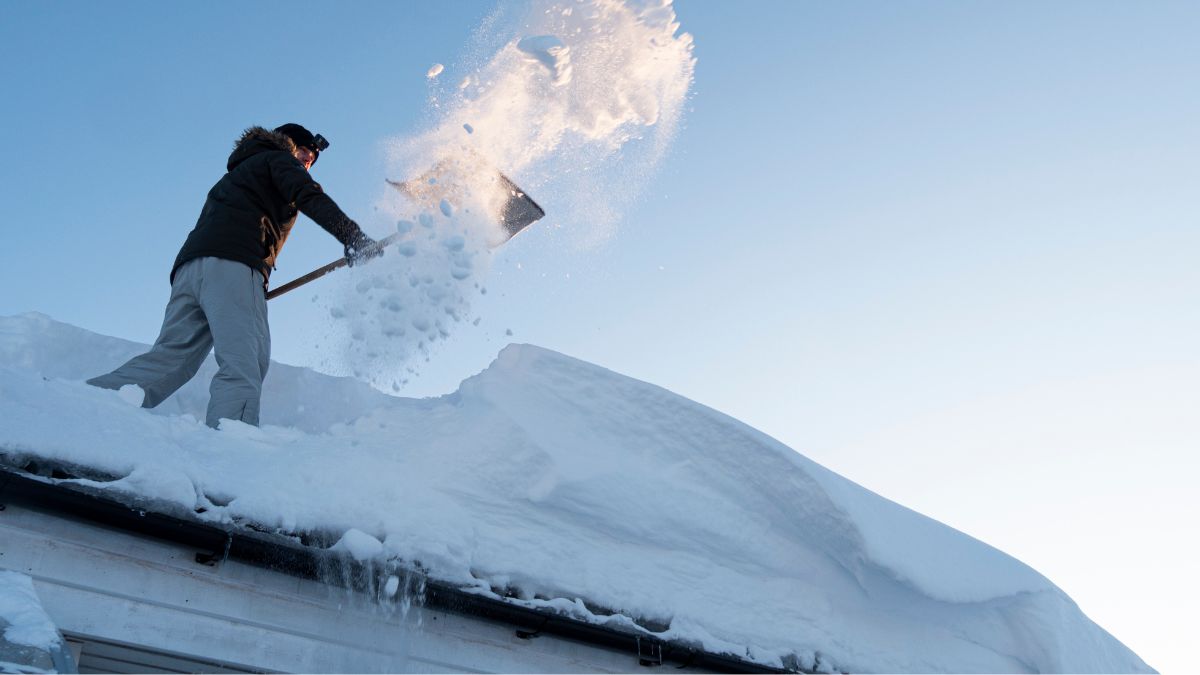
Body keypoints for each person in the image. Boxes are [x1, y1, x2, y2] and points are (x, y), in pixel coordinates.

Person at [88, 123, 380, 428]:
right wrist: (353, 237)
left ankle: (84, 405)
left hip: (192, 269)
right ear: (287, 144)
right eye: (305, 152)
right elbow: (308, 195)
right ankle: (231, 446)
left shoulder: (237, 174)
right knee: (245, 361)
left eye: (312, 160)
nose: (307, 162)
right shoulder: (279, 161)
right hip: (233, 265)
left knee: (171, 360)